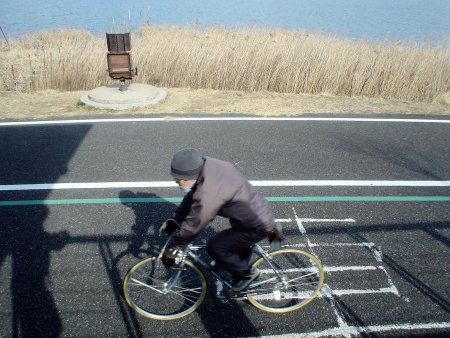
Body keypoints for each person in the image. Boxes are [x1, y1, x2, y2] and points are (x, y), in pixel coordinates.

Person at [161, 148, 276, 292]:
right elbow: (192, 196)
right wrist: (176, 219)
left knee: (216, 246)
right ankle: (236, 263)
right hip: (253, 212)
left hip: (256, 224)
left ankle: (247, 275)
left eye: (179, 180)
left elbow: (197, 221)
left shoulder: (210, 191)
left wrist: (174, 247)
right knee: (230, 246)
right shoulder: (206, 165)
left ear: (191, 176)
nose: (177, 183)